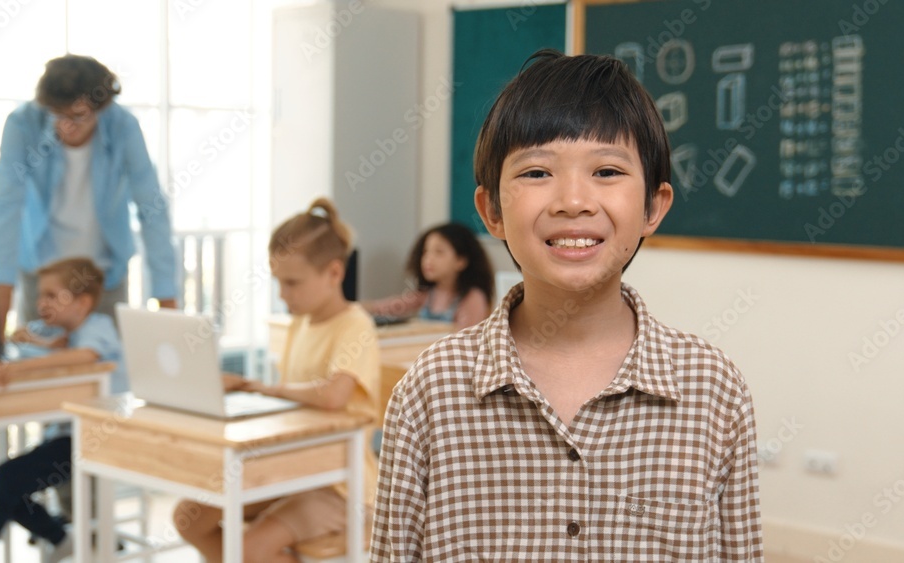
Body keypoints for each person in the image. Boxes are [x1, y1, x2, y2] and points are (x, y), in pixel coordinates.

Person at [370, 49, 763, 560]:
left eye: (606, 171)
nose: (572, 201)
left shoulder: (713, 389)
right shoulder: (429, 390)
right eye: (536, 173)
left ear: (653, 206)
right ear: (491, 210)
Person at [173, 197, 380, 562]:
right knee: (189, 517)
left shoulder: (355, 325)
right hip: (294, 467)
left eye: (292, 283)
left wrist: (262, 389)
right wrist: (242, 389)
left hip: (340, 485)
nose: (283, 294)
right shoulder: (299, 324)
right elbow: (296, 397)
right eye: (278, 282)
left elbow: (333, 395)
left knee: (249, 550)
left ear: (334, 273)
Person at [0, 54, 177, 342]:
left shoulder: (123, 126)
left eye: (78, 115)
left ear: (102, 108)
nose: (66, 125)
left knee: (107, 367)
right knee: (38, 367)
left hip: (103, 278)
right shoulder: (22, 124)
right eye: (58, 114)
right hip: (43, 278)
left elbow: (152, 210)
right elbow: (5, 208)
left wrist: (169, 317)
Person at [0, 257, 126, 563]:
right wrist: (36, 343)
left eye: (52, 296)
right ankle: (57, 537)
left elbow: (86, 356)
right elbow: (64, 351)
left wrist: (21, 366)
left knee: (3, 483)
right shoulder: (64, 336)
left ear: (82, 302)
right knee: (5, 484)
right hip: (66, 437)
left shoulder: (98, 328)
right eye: (40, 295)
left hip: (93, 438)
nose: (41, 303)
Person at [362, 222, 494, 329]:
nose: (428, 259)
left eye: (439, 252)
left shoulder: (473, 298)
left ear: (461, 261)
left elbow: (467, 343)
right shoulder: (426, 295)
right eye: (425, 252)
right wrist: (351, 307)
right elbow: (387, 307)